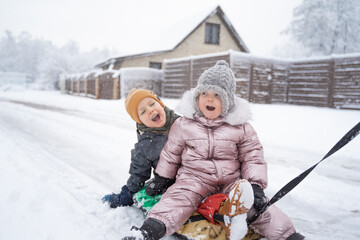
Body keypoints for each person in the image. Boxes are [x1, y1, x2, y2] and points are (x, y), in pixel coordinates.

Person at [123, 61, 304, 240]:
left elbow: (253, 157)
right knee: (176, 199)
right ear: (197, 97)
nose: (209, 99)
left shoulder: (241, 127)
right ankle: (147, 232)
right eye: (204, 93)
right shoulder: (183, 124)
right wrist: (163, 178)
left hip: (231, 180)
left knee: (258, 206)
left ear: (227, 101)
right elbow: (171, 154)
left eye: (217, 95)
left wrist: (255, 185)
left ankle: (288, 236)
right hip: (194, 178)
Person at [102, 89, 179, 208]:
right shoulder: (146, 145)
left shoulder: (182, 124)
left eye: (152, 104)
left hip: (200, 177)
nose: (150, 110)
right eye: (143, 112)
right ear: (140, 121)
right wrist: (127, 194)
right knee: (145, 195)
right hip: (170, 184)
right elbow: (138, 173)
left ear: (160, 103)